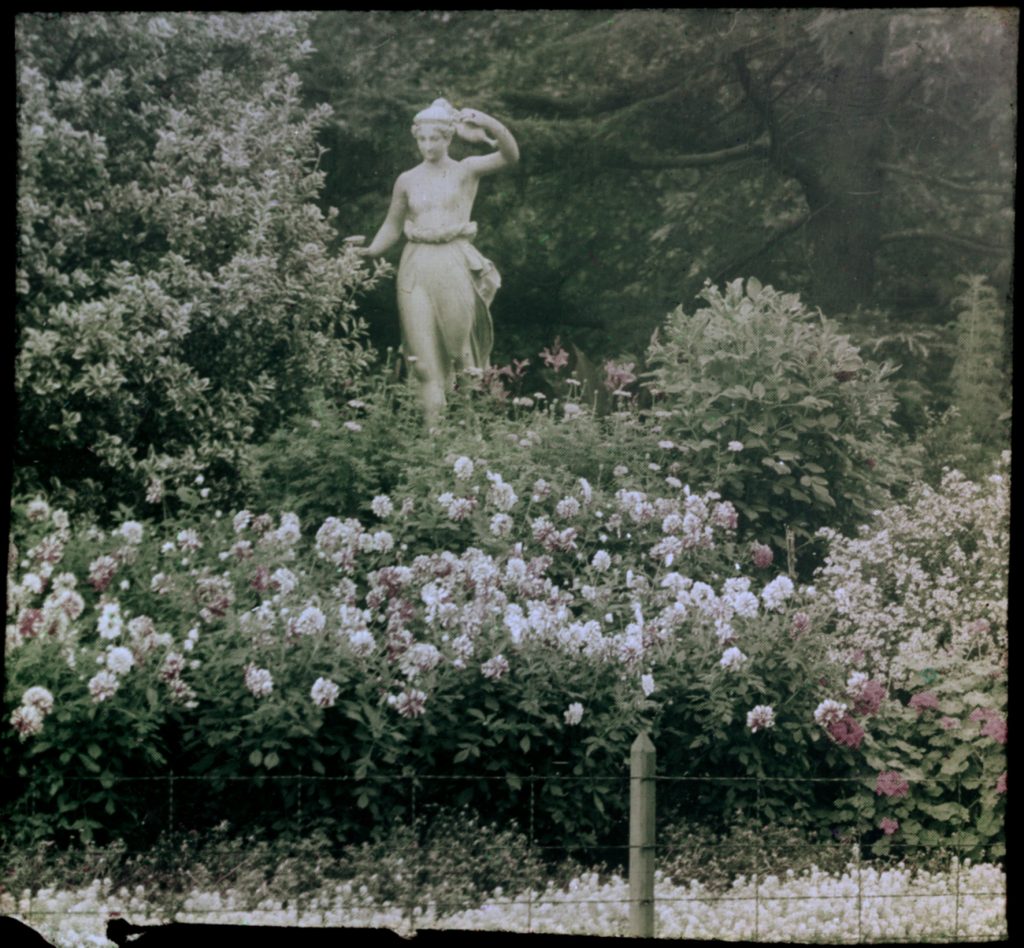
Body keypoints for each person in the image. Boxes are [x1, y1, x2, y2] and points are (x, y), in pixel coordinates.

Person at [347, 99, 519, 426]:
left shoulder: (466, 169)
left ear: (447, 138)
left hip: (452, 262)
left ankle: (471, 432)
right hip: (416, 265)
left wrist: (487, 123)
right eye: (422, 139)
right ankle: (433, 440)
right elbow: (392, 225)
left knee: (460, 357)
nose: (427, 145)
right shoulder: (407, 180)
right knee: (423, 363)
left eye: (434, 138)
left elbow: (510, 156)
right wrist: (370, 251)